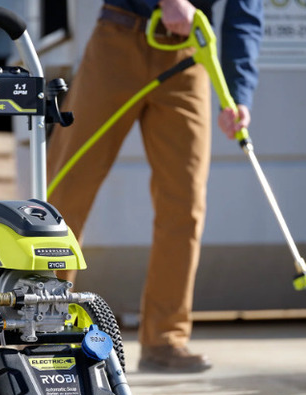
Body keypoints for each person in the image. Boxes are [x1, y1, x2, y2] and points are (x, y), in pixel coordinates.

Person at [46, 0, 263, 373]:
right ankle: (47, 325)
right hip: (119, 38)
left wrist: (238, 95)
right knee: (66, 189)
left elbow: (244, 18)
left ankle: (165, 339)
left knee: (185, 201)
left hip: (187, 54)